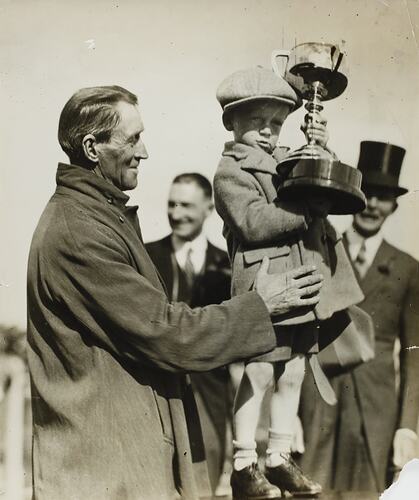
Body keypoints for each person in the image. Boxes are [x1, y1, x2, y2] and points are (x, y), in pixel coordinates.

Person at [26, 85, 326, 500]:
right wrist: (261, 306)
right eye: (132, 139)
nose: (144, 151)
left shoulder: (95, 216)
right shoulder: (80, 231)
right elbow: (167, 332)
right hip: (104, 473)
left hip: (120, 463)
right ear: (93, 148)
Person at [213, 67, 364, 500]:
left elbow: (318, 174)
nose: (267, 131)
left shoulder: (284, 160)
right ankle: (244, 463)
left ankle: (278, 457)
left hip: (301, 285)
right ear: (231, 122)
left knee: (295, 369)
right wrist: (306, 210)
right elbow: (253, 222)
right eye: (256, 121)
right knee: (260, 371)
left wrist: (320, 145)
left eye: (277, 123)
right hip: (267, 288)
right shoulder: (230, 172)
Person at [299, 140, 419, 492]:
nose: (374, 205)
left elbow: (414, 354)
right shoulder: (321, 251)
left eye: (384, 197)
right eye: (369, 194)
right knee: (311, 487)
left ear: (394, 206)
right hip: (319, 397)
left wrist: (407, 426)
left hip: (375, 410)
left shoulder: (408, 268)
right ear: (354, 197)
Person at [146, 173, 231, 493]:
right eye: (172, 204)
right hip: (158, 394)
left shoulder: (228, 263)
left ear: (208, 208)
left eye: (186, 205)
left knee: (205, 481)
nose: (176, 213)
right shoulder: (146, 256)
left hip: (211, 397)